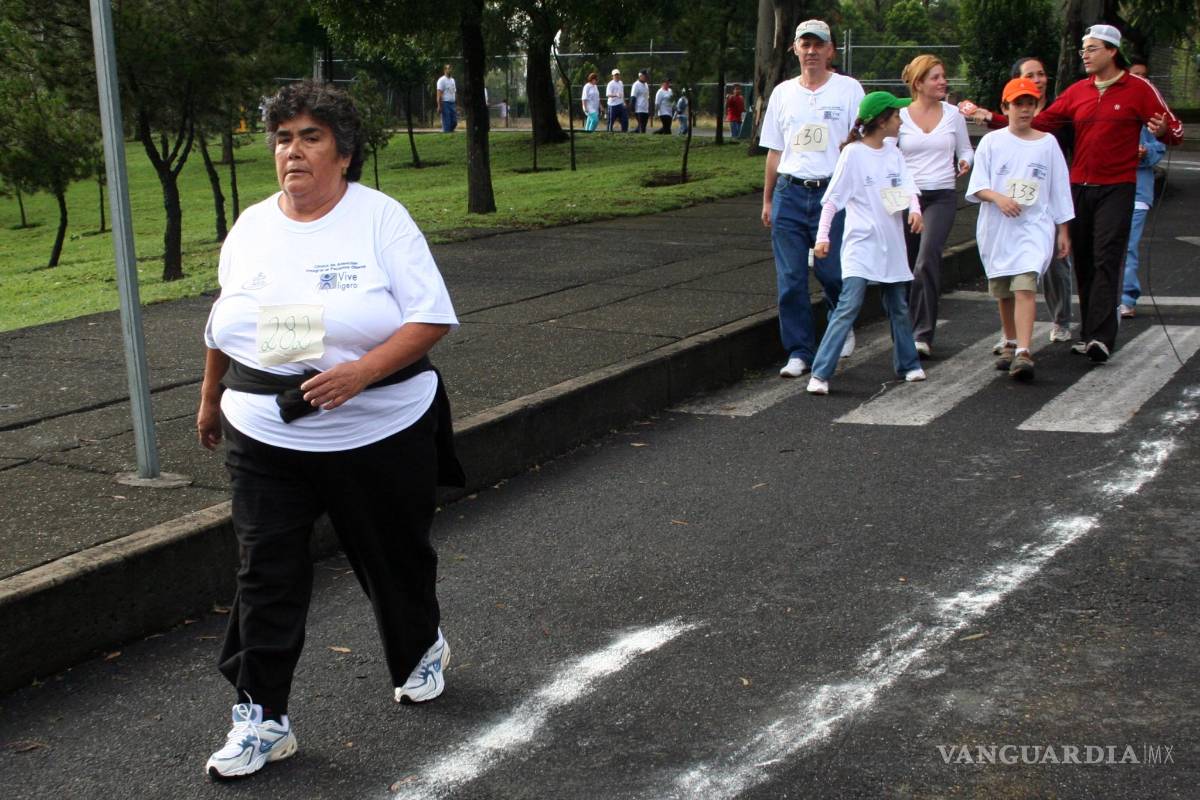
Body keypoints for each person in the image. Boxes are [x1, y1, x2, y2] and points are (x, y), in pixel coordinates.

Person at [196, 80, 464, 780]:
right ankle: (262, 717)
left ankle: (419, 647)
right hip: (266, 432)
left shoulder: (380, 220)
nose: (293, 150)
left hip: (378, 430)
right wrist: (207, 397)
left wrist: (360, 374)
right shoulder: (252, 225)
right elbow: (225, 318)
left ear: (343, 153)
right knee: (266, 575)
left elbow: (431, 317)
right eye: (283, 137)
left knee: (394, 559)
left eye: (310, 137)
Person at [1027, 24, 1181, 361]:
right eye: (1083, 48)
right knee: (1082, 261)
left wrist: (1163, 129)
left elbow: (1175, 129)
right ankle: (1089, 333)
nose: (1085, 54)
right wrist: (998, 119)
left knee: (1106, 257)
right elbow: (1041, 122)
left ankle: (1102, 338)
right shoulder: (1078, 91)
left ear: (1112, 51)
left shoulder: (1138, 88)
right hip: (1079, 187)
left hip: (1118, 187)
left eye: (1092, 48)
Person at [760, 19, 865, 377]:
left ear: (830, 50)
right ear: (795, 49)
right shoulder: (783, 94)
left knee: (832, 270)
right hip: (791, 191)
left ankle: (842, 320)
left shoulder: (849, 90)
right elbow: (775, 150)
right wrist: (768, 199)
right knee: (790, 279)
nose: (811, 51)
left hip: (832, 193)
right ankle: (799, 351)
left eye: (818, 45)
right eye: (805, 45)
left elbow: (863, 143)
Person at [805, 91, 926, 395]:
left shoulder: (893, 153)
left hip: (892, 243)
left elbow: (908, 187)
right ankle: (820, 373)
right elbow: (831, 201)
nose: (901, 120)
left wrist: (915, 210)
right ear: (883, 120)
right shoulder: (853, 154)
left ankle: (908, 363)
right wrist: (822, 238)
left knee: (898, 304)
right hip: (861, 244)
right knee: (849, 304)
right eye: (896, 115)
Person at [959, 56, 1076, 346]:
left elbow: (1060, 190)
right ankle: (1010, 339)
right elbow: (978, 187)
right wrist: (998, 198)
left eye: (1030, 104)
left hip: (1034, 226)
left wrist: (1063, 231)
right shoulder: (991, 142)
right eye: (1017, 104)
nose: (1024, 110)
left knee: (1025, 284)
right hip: (998, 228)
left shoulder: (1048, 143)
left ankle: (1024, 350)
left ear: (1037, 106)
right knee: (1003, 289)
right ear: (1004, 107)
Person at [896, 54, 973, 358]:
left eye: (943, 76)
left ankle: (922, 334)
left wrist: (966, 160)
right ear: (918, 83)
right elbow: (889, 155)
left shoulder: (953, 114)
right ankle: (904, 327)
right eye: (936, 77)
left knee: (927, 259)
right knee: (906, 264)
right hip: (906, 197)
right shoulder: (899, 116)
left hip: (941, 195)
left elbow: (966, 147)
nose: (943, 82)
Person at [1120, 59, 1167, 318]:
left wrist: (1145, 152)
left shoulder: (1150, 113)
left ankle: (1127, 296)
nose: (1142, 80)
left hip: (1138, 189)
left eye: (1145, 76)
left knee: (1128, 243)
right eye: (1136, 75)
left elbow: (1160, 147)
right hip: (1108, 187)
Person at [606, 69, 628, 133]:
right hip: (612, 105)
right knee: (611, 121)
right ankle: (609, 132)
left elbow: (622, 93)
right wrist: (616, 95)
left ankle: (624, 132)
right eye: (615, 75)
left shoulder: (621, 82)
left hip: (621, 104)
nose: (617, 76)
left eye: (618, 75)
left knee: (625, 119)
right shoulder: (610, 84)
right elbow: (608, 95)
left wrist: (624, 102)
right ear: (612, 76)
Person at [436, 64, 457, 133]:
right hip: (445, 103)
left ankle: (449, 132)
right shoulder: (441, 80)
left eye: (451, 68)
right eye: (448, 68)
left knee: (454, 122)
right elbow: (439, 93)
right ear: (445, 70)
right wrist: (439, 105)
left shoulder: (452, 80)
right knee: (447, 122)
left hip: (452, 103)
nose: (450, 70)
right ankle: (446, 133)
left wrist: (456, 103)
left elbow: (454, 92)